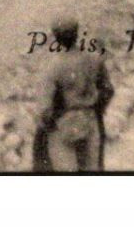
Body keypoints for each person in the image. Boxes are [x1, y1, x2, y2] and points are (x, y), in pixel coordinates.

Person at [33, 22, 113, 172]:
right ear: (76, 34)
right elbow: (107, 90)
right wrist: (98, 109)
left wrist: (47, 124)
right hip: (90, 120)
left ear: (56, 37)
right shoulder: (94, 59)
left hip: (64, 124)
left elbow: (45, 108)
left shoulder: (53, 66)